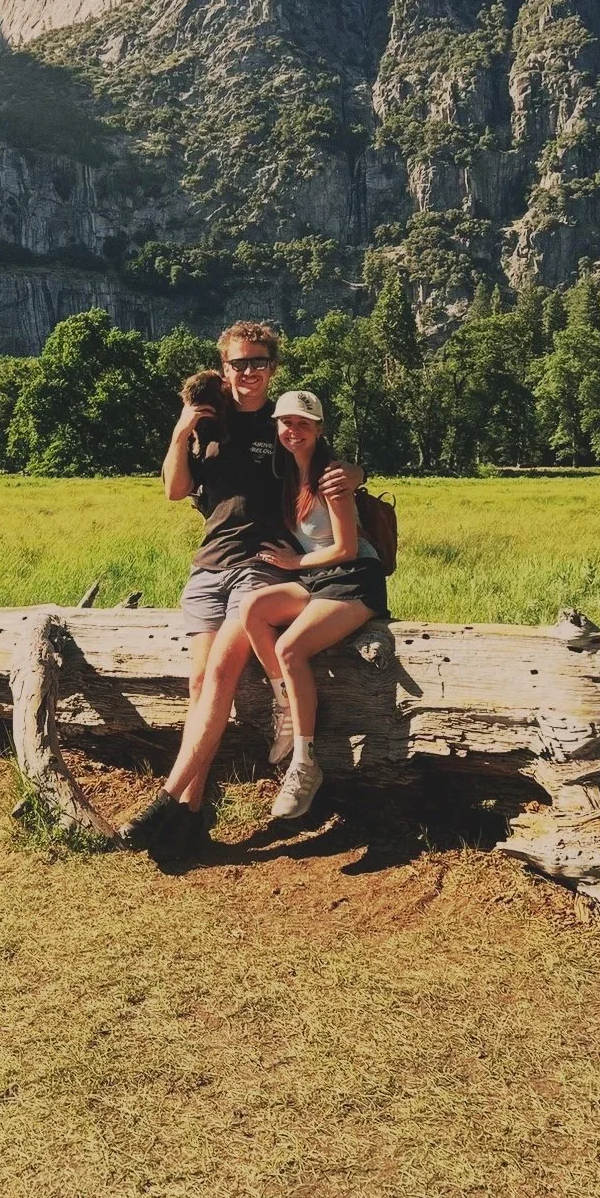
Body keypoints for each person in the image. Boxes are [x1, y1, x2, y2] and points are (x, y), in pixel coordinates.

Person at [117, 322, 363, 861]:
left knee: (223, 675)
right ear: (222, 366)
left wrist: (356, 474)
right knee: (200, 680)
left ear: (273, 367)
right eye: (237, 363)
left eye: (258, 362)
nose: (247, 372)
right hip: (208, 567)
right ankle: (190, 818)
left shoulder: (283, 422)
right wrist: (181, 432)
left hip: (261, 566)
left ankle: (164, 802)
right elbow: (174, 489)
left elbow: (332, 465)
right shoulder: (208, 419)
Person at [240, 389, 388, 820]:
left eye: (303, 424)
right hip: (316, 579)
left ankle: (304, 765)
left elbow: (344, 547)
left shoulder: (331, 478)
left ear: (319, 429)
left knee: (290, 649)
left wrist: (294, 561)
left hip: (354, 578)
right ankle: (286, 701)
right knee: (254, 610)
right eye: (286, 423)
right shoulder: (286, 473)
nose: (293, 431)